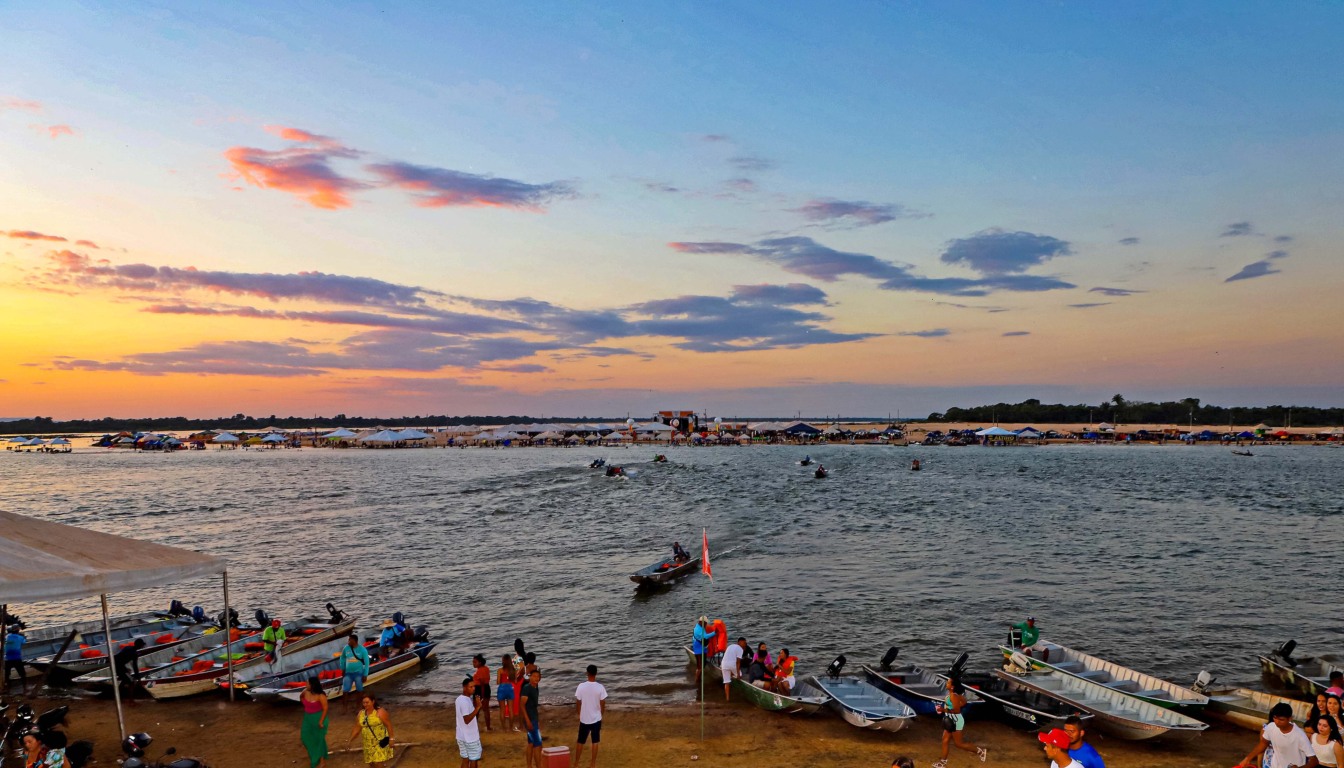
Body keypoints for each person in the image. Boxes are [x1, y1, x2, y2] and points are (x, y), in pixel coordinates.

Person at [1236, 702, 1316, 768]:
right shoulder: (1271, 727)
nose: (1277, 722)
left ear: (1290, 718)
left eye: (1281, 719)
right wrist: (1248, 758)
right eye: (1275, 718)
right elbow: (1263, 743)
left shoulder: (1300, 735)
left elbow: (1314, 760)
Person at [932, 677, 987, 767]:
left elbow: (956, 711)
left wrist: (943, 710)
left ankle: (980, 751)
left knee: (959, 744)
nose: (946, 683)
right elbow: (964, 702)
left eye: (948, 683)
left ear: (952, 687)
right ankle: (942, 763)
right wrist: (948, 709)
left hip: (956, 720)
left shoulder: (953, 696)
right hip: (950, 720)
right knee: (945, 741)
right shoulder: (954, 695)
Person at [573, 664, 608, 768]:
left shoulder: (581, 686)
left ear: (587, 673)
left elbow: (578, 701)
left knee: (580, 741)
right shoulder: (600, 687)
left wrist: (579, 712)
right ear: (596, 673)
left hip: (584, 718)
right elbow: (603, 702)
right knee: (595, 741)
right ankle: (592, 764)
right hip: (596, 718)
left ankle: (576, 763)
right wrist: (601, 713)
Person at [347, 694, 394, 768]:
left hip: (379, 741)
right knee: (371, 763)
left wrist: (391, 739)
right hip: (368, 743)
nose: (365, 704)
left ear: (373, 702)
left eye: (367, 702)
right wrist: (350, 740)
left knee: (378, 763)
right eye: (363, 703)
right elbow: (357, 728)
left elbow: (388, 725)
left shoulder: (380, 712)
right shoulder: (361, 714)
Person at [300, 677, 330, 768]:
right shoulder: (305, 692)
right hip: (308, 718)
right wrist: (307, 707)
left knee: (319, 740)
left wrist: (321, 721)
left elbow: (325, 708)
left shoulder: (321, 695)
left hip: (319, 718)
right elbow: (301, 697)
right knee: (305, 737)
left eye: (307, 683)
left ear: (312, 685)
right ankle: (315, 755)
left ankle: (322, 761)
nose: (306, 685)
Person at [455, 676, 485, 768]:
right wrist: (478, 707)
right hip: (470, 737)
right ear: (464, 688)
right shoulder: (465, 702)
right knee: (473, 761)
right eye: (470, 687)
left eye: (474, 686)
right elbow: (467, 719)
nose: (473, 689)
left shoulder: (459, 699)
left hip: (461, 736)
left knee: (465, 759)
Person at [339, 635, 371, 709]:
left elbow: (366, 663)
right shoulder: (346, 648)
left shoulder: (362, 650)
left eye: (350, 640)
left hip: (358, 673)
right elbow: (342, 658)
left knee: (359, 690)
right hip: (348, 673)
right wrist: (343, 668)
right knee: (345, 690)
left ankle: (358, 706)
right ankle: (344, 707)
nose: (348, 641)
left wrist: (365, 674)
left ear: (354, 641)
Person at [519, 669, 541, 768]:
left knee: (531, 743)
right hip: (530, 719)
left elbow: (533, 706)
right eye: (534, 676)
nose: (536, 678)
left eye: (538, 676)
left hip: (533, 718)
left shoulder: (535, 687)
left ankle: (529, 765)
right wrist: (527, 721)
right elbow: (522, 705)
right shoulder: (527, 688)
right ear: (530, 677)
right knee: (538, 744)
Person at [471, 654, 493, 732]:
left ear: (480, 662)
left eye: (475, 662)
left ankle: (474, 727)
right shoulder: (486, 668)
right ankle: (488, 727)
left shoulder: (479, 671)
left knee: (476, 709)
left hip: (480, 689)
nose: (473, 663)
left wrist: (482, 695)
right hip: (487, 688)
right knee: (486, 709)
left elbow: (482, 682)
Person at [497, 654, 518, 732]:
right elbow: (515, 681)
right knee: (511, 710)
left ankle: (504, 728)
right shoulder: (513, 670)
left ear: (503, 661)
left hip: (502, 688)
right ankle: (511, 728)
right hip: (509, 688)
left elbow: (498, 682)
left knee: (502, 710)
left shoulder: (500, 670)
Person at [4, 625, 26, 695]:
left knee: (7, 674)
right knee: (22, 674)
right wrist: (24, 636)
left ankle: (8, 688)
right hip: (16, 658)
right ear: (18, 630)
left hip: (7, 659)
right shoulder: (20, 637)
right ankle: (25, 688)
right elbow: (24, 642)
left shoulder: (7, 637)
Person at [691, 616, 712, 687]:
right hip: (698, 650)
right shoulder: (697, 629)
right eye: (705, 623)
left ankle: (699, 679)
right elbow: (705, 636)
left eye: (706, 623)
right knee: (699, 667)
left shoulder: (701, 628)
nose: (706, 624)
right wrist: (714, 633)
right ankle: (697, 681)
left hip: (703, 648)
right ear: (701, 622)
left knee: (703, 665)